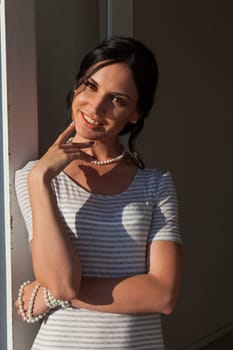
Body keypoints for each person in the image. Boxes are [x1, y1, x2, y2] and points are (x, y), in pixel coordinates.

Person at [15, 36, 183, 350]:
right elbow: (63, 281)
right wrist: (40, 178)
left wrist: (51, 294)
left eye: (117, 99)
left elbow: (163, 295)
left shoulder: (156, 184)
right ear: (77, 86)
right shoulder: (35, 176)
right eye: (90, 86)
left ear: (136, 113)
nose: (96, 107)